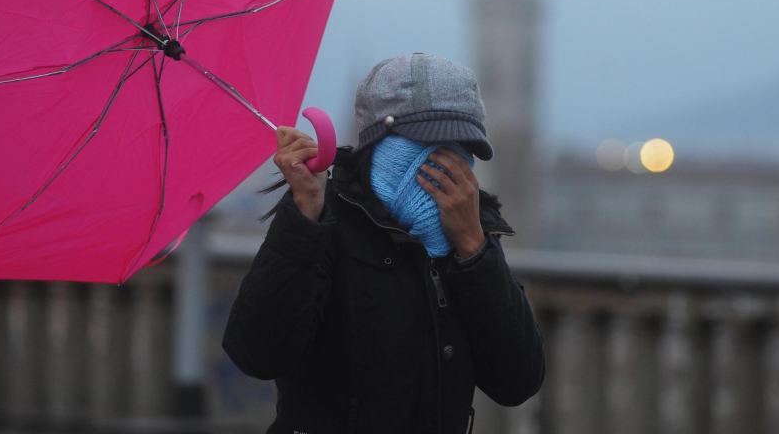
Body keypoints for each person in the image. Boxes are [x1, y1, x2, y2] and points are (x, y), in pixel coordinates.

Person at [223, 53, 546, 434]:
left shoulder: (467, 230)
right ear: (380, 140)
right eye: (428, 142)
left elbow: (517, 381)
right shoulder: (325, 216)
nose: (448, 163)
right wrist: (304, 219)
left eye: (463, 146)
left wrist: (475, 250)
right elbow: (257, 353)